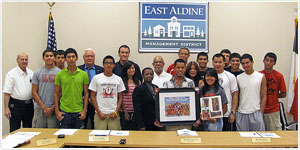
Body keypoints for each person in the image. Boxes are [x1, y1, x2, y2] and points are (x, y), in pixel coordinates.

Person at [54, 48, 89, 129]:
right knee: (65, 137)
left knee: (78, 138)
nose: (71, 59)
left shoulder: (83, 74)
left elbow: (86, 93)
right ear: (65, 59)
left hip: (78, 112)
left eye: (73, 57)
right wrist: (57, 111)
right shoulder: (60, 74)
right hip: (64, 112)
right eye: (69, 57)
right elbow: (56, 93)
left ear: (76, 58)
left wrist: (84, 110)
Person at [89, 55, 126, 130]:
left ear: (114, 65)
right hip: (100, 114)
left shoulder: (118, 79)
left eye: (111, 63)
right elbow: (92, 96)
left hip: (113, 114)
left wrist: (116, 112)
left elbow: (120, 97)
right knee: (99, 138)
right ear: (103, 65)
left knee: (114, 138)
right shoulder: (96, 78)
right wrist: (99, 112)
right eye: (106, 63)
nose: (109, 65)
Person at [160, 59, 195, 131]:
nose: (180, 70)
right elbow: (162, 103)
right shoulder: (167, 83)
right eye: (178, 67)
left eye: (182, 68)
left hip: (186, 120)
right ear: (174, 69)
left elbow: (193, 101)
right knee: (171, 140)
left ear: (185, 69)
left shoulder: (190, 82)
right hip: (170, 121)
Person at [3, 52, 34, 132]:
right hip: (16, 105)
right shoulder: (11, 74)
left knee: (28, 130)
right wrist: (6, 108)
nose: (24, 61)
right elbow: (7, 93)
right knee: (14, 130)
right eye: (22, 59)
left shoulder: (31, 73)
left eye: (26, 59)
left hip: (29, 105)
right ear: (17, 60)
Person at [236, 54, 267, 131]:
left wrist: (261, 113)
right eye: (243, 63)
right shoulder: (238, 77)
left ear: (252, 62)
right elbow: (236, 96)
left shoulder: (261, 77)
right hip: (241, 112)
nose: (245, 65)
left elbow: (264, 96)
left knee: (258, 138)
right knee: (242, 139)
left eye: (247, 62)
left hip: (256, 112)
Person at [32, 49, 60, 128]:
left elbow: (60, 93)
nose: (49, 58)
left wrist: (53, 107)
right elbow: (34, 92)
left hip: (54, 109)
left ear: (54, 58)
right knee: (38, 133)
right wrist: (43, 107)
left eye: (51, 56)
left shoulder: (59, 73)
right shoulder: (37, 72)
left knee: (52, 134)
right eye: (46, 56)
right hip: (40, 108)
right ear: (43, 58)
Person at [259, 52, 286, 131]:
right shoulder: (258, 75)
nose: (268, 63)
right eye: (267, 60)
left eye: (271, 61)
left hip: (273, 110)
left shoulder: (279, 76)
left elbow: (284, 94)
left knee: (273, 133)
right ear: (263, 60)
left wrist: (273, 95)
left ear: (274, 63)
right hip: (259, 110)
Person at [78, 48, 104, 129]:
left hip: (96, 103)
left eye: (91, 56)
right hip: (81, 102)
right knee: (81, 127)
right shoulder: (77, 70)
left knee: (96, 126)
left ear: (94, 57)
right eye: (87, 56)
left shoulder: (101, 70)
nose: (89, 58)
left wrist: (94, 98)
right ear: (83, 57)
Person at [212, 54, 239, 131]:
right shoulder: (209, 76)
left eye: (220, 62)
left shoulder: (230, 76)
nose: (217, 64)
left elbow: (235, 95)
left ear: (224, 63)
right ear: (213, 63)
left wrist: (233, 112)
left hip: (227, 114)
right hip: (212, 115)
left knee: (227, 139)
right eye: (215, 62)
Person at [120, 61, 141, 130]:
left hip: (135, 111)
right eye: (129, 68)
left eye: (133, 68)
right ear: (125, 70)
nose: (131, 70)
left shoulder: (138, 82)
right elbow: (120, 98)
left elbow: (139, 99)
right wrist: (125, 111)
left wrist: (135, 112)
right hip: (124, 111)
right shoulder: (121, 81)